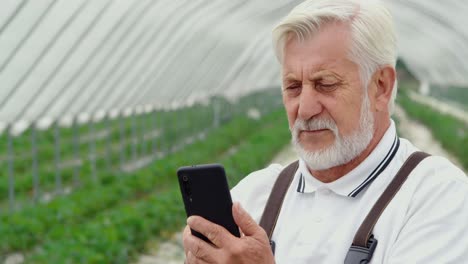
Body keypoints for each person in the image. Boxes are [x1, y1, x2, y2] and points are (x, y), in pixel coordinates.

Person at [182, 0, 468, 263]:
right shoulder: (255, 196)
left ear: (381, 86)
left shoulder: (437, 197)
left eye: (326, 84)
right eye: (293, 86)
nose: (305, 109)